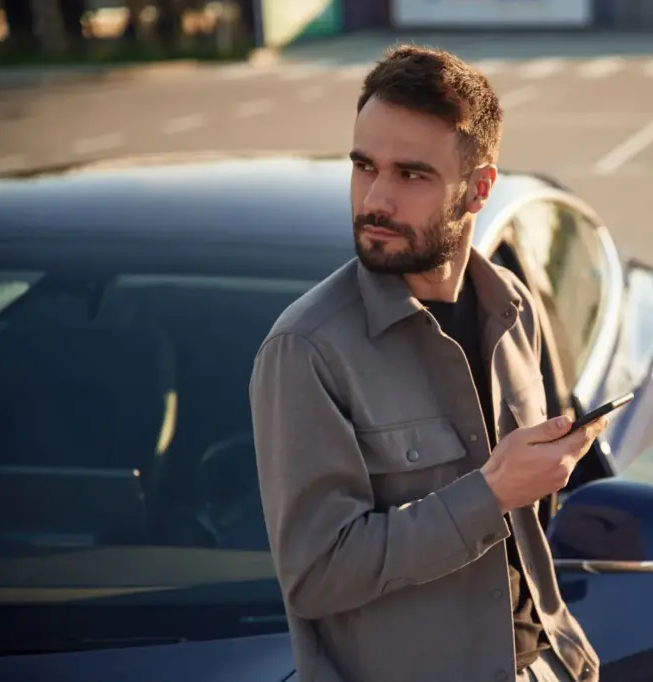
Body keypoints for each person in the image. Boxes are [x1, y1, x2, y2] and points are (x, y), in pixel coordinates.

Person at [249, 44, 606, 682]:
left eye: (411, 174)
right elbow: (316, 574)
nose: (375, 200)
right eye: (364, 167)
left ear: (479, 189)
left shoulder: (514, 306)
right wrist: (493, 492)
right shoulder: (307, 350)